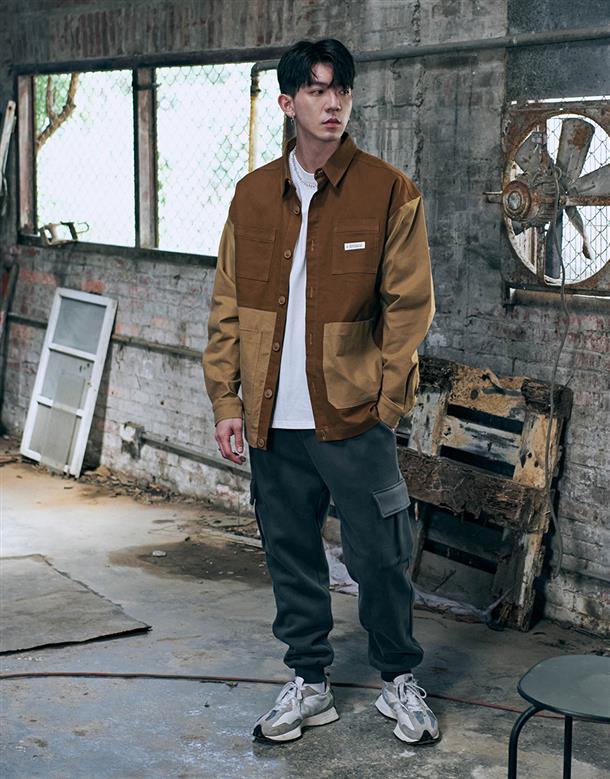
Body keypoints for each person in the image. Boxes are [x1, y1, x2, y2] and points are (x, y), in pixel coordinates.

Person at [203, 38, 438, 746]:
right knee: (290, 554)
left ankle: (399, 678)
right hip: (274, 419)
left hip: (354, 416)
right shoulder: (251, 196)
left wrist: (386, 404)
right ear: (287, 103)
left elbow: (410, 307)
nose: (332, 103)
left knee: (381, 556)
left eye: (341, 90)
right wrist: (226, 400)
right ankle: (309, 681)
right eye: (316, 90)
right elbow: (226, 305)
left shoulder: (388, 191)